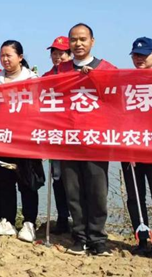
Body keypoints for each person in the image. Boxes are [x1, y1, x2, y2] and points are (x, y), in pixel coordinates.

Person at [57, 24, 116, 256]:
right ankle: (79, 236)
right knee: (73, 191)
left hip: (96, 140)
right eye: (74, 40)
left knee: (97, 190)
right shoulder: (61, 69)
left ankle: (98, 238)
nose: (78, 44)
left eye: (83, 39)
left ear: (92, 41)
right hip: (68, 139)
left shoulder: (106, 68)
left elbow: (117, 97)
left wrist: (97, 80)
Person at [122, 37, 152, 259]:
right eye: (136, 55)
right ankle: (142, 239)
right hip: (130, 147)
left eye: (144, 55)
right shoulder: (125, 81)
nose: (139, 59)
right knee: (135, 196)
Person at [0, 40, 41, 242]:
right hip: (2, 139)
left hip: (26, 139)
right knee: (4, 181)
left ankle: (29, 222)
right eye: (2, 56)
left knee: (27, 182)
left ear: (20, 57)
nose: (5, 59)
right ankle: (7, 220)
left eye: (9, 55)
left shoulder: (32, 79)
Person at [41, 35, 73, 235]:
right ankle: (62, 218)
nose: (58, 56)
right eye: (54, 53)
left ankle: (79, 219)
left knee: (76, 180)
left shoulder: (79, 74)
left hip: (76, 136)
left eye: (62, 53)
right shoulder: (46, 77)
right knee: (58, 178)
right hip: (55, 135)